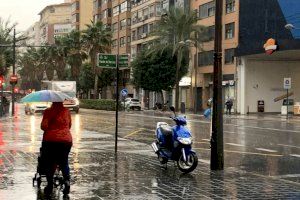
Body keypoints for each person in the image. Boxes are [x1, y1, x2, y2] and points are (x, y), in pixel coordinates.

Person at [41, 102, 72, 195]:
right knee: (64, 161)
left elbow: (44, 126)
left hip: (51, 141)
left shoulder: (48, 111)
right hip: (66, 141)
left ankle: (50, 185)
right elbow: (69, 125)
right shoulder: (67, 111)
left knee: (50, 162)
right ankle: (67, 181)